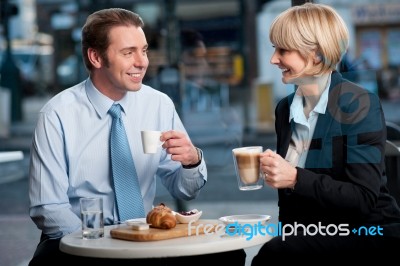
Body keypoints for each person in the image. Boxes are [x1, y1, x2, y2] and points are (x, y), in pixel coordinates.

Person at [28, 8, 245, 265]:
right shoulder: (57, 115)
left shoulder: (158, 105)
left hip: (144, 236)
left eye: (143, 50)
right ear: (96, 57)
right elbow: (48, 208)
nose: (142, 62)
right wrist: (100, 244)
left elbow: (185, 189)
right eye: (128, 52)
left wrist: (192, 161)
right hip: (81, 238)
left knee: (229, 255)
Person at [252, 3, 400, 263]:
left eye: (283, 49)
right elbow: (290, 205)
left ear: (317, 54)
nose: (273, 59)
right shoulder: (284, 109)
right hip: (315, 231)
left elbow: (363, 199)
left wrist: (295, 177)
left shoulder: (359, 103)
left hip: (368, 231)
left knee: (273, 255)